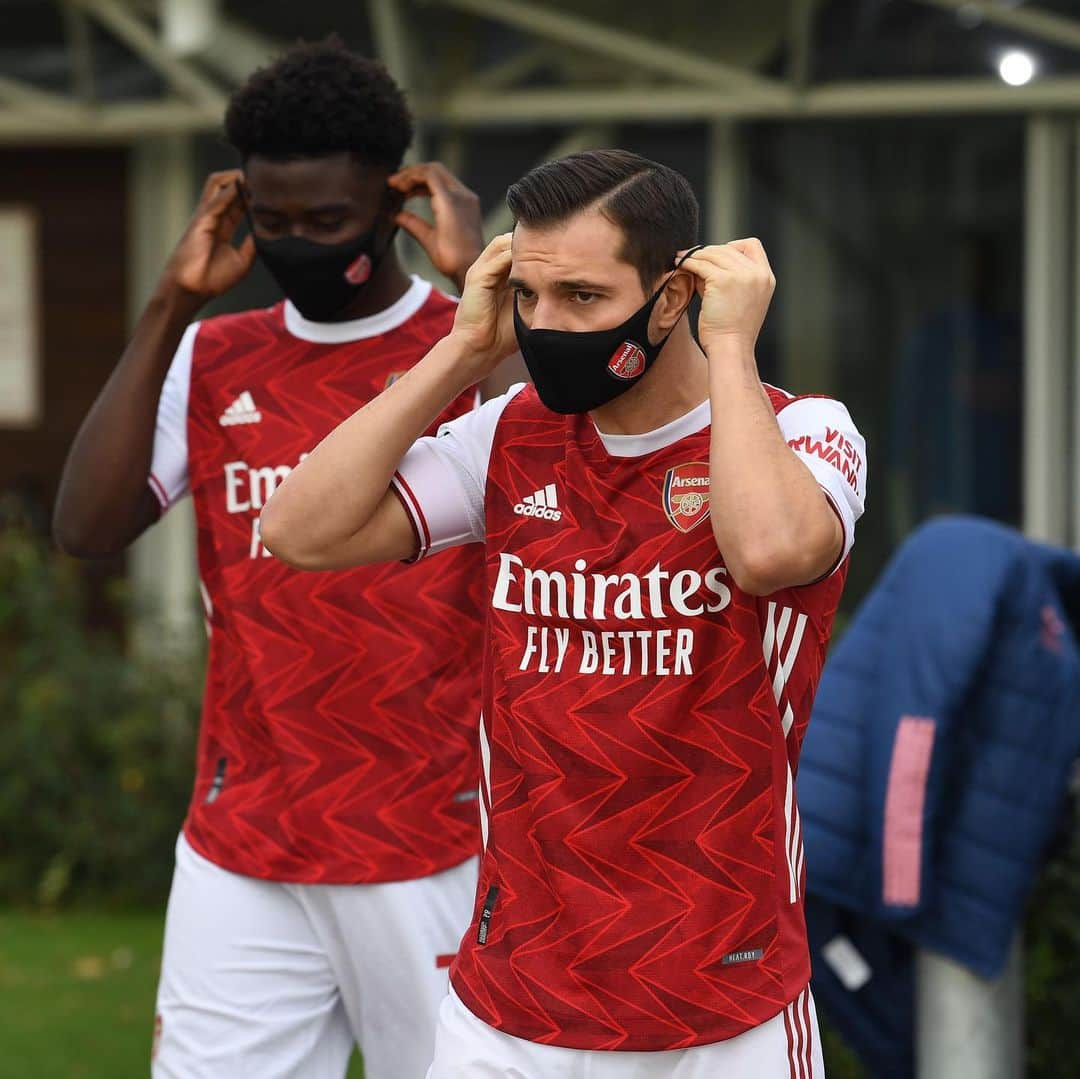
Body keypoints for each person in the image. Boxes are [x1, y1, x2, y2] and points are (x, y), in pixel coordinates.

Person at [260, 148, 868, 1077]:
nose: (546, 326)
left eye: (583, 298)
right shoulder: (511, 432)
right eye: (529, 297)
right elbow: (299, 529)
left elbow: (770, 553)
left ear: (672, 298)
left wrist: (734, 345)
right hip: (510, 1000)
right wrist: (463, 348)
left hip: (720, 1003)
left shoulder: (801, 432)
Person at [53, 40, 517, 1079]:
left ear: (397, 200)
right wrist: (168, 305)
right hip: (245, 837)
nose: (298, 243)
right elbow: (86, 528)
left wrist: (484, 297)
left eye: (328, 222)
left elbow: (562, 489)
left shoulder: (465, 352)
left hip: (432, 838)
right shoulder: (216, 355)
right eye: (274, 224)